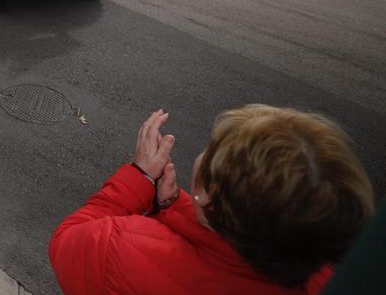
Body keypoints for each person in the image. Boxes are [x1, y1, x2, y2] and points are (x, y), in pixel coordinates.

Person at [49, 105, 375, 295]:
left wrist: (140, 175)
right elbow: (222, 248)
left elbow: (67, 241)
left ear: (208, 196)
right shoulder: (330, 281)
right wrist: (171, 205)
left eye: (211, 151)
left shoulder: (117, 249)